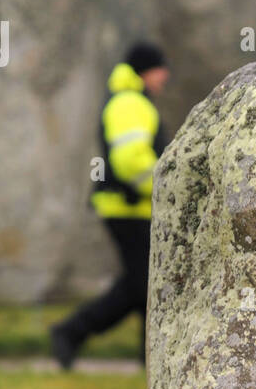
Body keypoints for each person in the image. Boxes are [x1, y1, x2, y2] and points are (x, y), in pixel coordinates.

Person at [50, 42, 169, 368]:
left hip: (131, 207)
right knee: (145, 284)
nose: (165, 76)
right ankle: (72, 331)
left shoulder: (132, 100)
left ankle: (78, 334)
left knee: (143, 284)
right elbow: (131, 160)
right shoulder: (131, 103)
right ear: (146, 70)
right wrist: (164, 189)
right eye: (161, 69)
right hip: (128, 207)